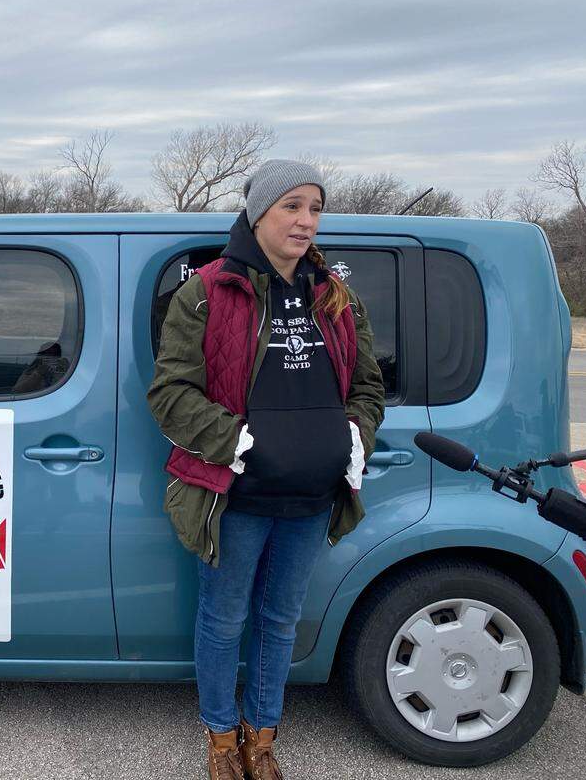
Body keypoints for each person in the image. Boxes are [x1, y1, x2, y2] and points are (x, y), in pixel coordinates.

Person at [147, 160, 385, 780]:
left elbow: (368, 386)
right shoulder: (205, 291)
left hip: (311, 494)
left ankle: (264, 734)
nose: (306, 221)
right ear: (258, 213)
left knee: (280, 620)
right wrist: (239, 440)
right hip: (236, 494)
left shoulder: (335, 293)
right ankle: (222, 738)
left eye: (315, 208)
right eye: (292, 206)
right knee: (224, 619)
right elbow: (170, 392)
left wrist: (354, 436)